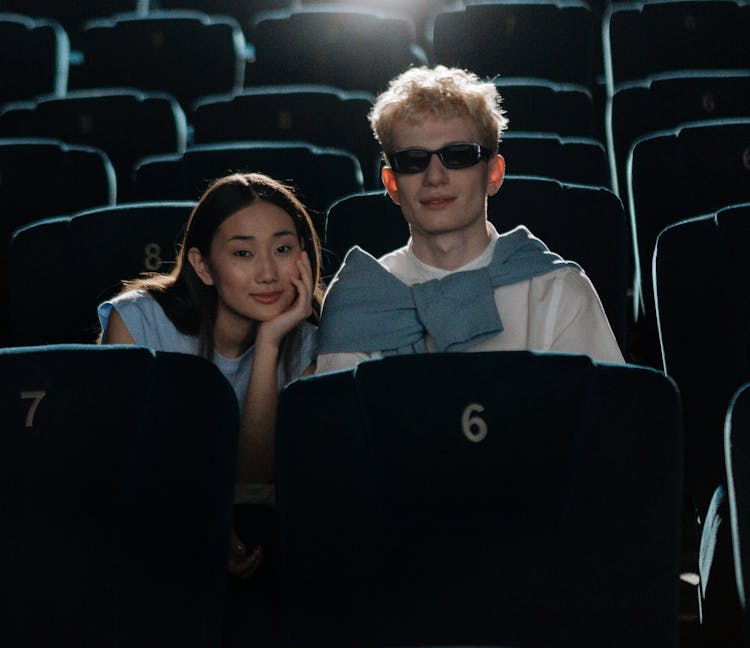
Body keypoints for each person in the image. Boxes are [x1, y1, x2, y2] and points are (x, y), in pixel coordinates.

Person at [315, 66, 625, 371]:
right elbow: (339, 420)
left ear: (493, 173)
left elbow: (602, 415)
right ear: (392, 184)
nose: (435, 177)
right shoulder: (358, 301)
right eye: (412, 160)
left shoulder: (557, 289)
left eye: (459, 155)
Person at [99, 171, 322, 583]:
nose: (269, 273)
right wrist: (197, 527)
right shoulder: (139, 321)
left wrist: (270, 343)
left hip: (253, 535)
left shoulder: (310, 343)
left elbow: (253, 487)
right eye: (243, 254)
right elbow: (125, 464)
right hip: (151, 524)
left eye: (284, 248)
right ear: (202, 266)